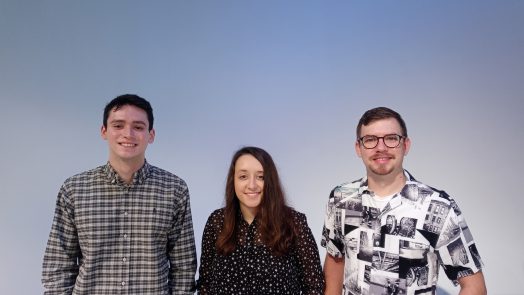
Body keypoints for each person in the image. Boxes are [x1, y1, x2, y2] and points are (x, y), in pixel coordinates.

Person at [42, 94, 197, 294]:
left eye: (138, 127)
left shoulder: (174, 190)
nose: (128, 134)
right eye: (118, 125)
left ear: (151, 135)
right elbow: (59, 266)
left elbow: (183, 268)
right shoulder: (74, 190)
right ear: (104, 131)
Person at [321, 107, 486, 294]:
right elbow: (335, 260)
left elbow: (474, 286)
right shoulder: (341, 199)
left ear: (405, 145)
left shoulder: (437, 206)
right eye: (370, 140)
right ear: (358, 148)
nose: (381, 148)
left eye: (391, 138)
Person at [197, 146, 325, 294]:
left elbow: (314, 286)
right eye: (243, 176)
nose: (252, 185)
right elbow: (205, 283)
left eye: (261, 177)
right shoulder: (217, 222)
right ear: (233, 181)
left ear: (270, 181)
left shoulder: (294, 222)